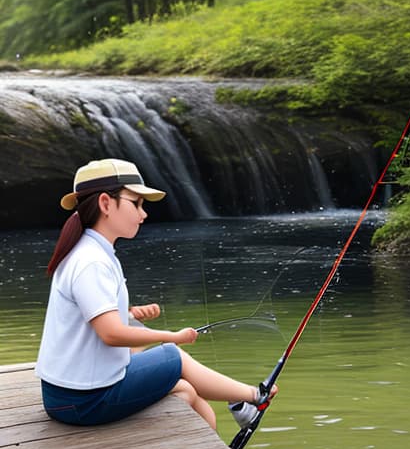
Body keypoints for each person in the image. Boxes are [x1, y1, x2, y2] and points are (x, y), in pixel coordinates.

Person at [35, 158, 276, 430]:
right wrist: (171, 336)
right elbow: (111, 334)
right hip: (82, 401)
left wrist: (127, 313)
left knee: (186, 392)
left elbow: (91, 320)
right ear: (105, 203)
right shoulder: (92, 261)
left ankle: (240, 411)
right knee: (173, 356)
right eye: (136, 203)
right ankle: (253, 398)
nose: (143, 213)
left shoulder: (89, 252)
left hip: (68, 396)